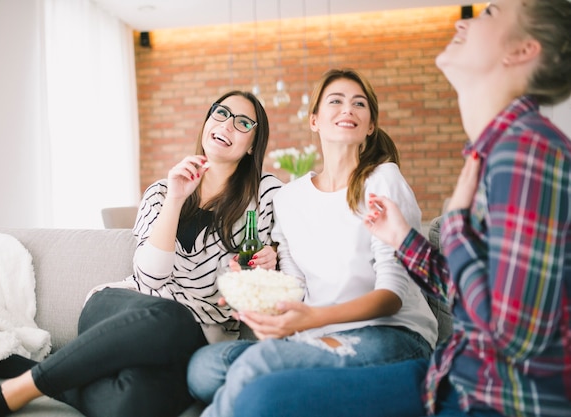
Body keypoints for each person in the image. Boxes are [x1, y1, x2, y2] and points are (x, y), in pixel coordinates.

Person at [232, 1, 571, 416]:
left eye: (489, 13)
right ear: (314, 119)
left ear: (520, 51)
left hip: (495, 397)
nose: (466, 19)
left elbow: (512, 330)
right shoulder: (497, 152)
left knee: (259, 395)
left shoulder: (526, 153)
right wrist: (406, 241)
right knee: (233, 378)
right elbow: (476, 297)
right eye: (335, 102)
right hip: (459, 379)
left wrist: (458, 226)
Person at [0, 90, 283, 417]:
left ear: (253, 143)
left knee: (131, 407)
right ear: (208, 120)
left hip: (197, 336)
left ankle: (31, 372)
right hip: (126, 309)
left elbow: (276, 258)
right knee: (170, 316)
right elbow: (151, 277)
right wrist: (176, 198)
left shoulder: (266, 194)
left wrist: (272, 255)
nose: (226, 125)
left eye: (243, 123)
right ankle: (10, 395)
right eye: (221, 113)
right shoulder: (163, 191)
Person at [187, 68, 439, 417]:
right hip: (316, 335)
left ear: (370, 125)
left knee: (254, 365)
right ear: (315, 121)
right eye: (336, 101)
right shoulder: (290, 198)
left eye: (359, 103)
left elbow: (392, 297)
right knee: (204, 368)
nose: (347, 109)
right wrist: (253, 294)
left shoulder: (382, 180)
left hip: (393, 337)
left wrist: (308, 321)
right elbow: (296, 286)